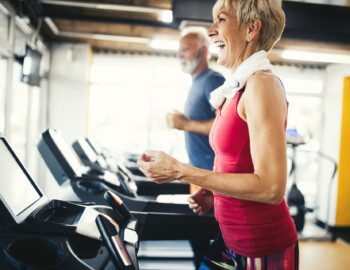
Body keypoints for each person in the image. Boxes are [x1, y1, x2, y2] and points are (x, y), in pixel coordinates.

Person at [138, 0, 298, 269]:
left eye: (221, 20)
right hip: (230, 239)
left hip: (260, 244)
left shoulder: (262, 85)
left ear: (251, 29)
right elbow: (238, 161)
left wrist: (181, 171)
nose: (211, 30)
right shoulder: (237, 87)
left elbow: (271, 188)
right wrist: (214, 193)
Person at [167, 30, 225, 172]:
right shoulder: (197, 82)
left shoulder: (212, 80)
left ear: (204, 51)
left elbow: (225, 126)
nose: (179, 55)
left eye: (185, 49)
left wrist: (185, 124)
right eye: (179, 50)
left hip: (212, 175)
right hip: (199, 172)